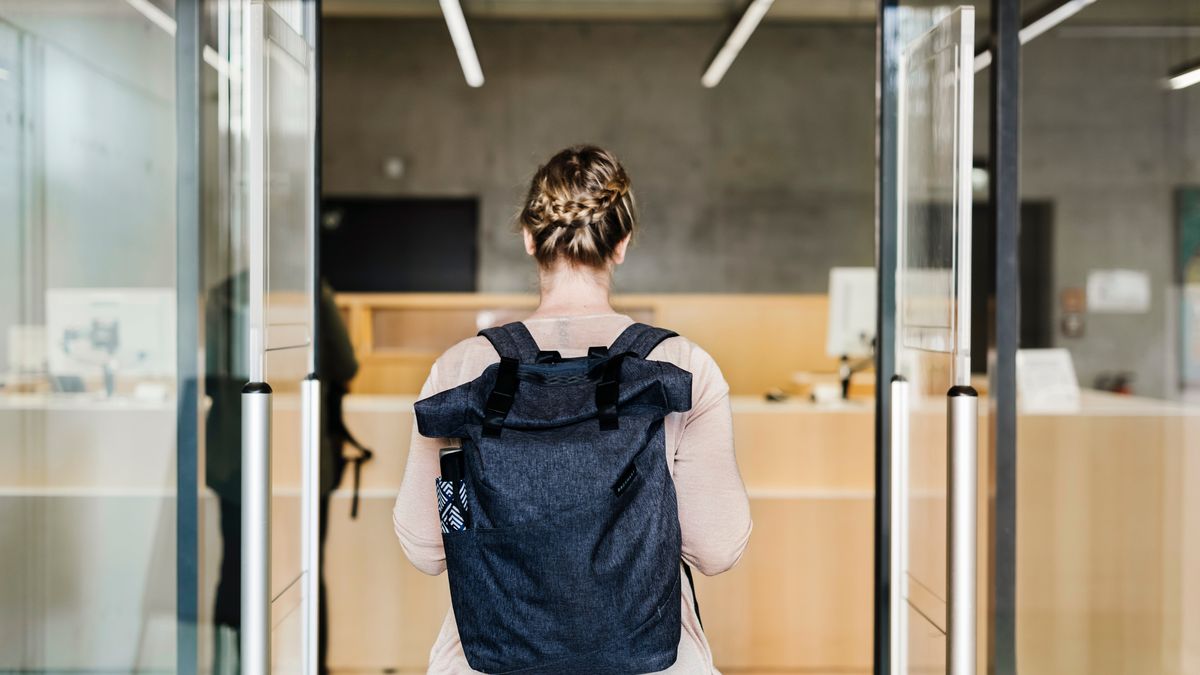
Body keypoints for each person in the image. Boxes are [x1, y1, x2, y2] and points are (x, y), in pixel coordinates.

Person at [392, 145, 752, 673]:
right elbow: (717, 548)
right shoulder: (681, 365)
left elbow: (427, 546)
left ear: (530, 238)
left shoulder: (462, 369)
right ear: (622, 244)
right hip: (648, 657)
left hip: (489, 655)